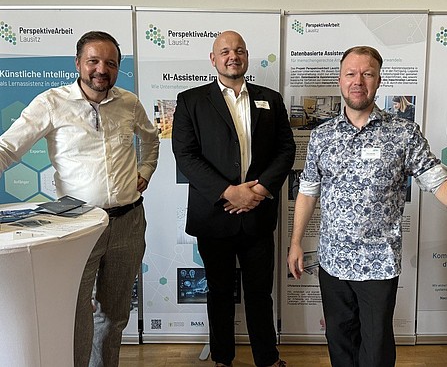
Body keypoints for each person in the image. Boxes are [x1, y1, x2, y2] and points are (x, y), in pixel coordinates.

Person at [286, 45, 447, 367]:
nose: (358, 80)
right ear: (340, 80)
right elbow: (307, 191)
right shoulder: (322, 136)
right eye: (351, 73)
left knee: (375, 348)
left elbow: (436, 179)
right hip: (333, 260)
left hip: (379, 262)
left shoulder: (403, 133)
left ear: (378, 80)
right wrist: (295, 243)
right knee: (340, 341)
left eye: (367, 74)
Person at [0, 31, 159, 367]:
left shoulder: (129, 102)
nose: (102, 69)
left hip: (128, 223)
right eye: (94, 61)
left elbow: (151, 138)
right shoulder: (51, 103)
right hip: (79, 226)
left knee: (114, 315)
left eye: (111, 63)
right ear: (78, 63)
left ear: (118, 68)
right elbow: (8, 148)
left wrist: (145, 169)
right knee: (75, 316)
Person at [172, 30, 295, 367]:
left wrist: (257, 191)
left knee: (260, 294)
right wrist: (229, 192)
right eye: (225, 51)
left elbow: (286, 149)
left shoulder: (270, 98)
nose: (232, 56)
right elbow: (185, 155)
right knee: (220, 293)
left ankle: (267, 359)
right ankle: (222, 359)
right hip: (215, 215)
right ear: (213, 59)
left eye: (239, 50)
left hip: (257, 214)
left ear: (247, 56)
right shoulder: (191, 100)